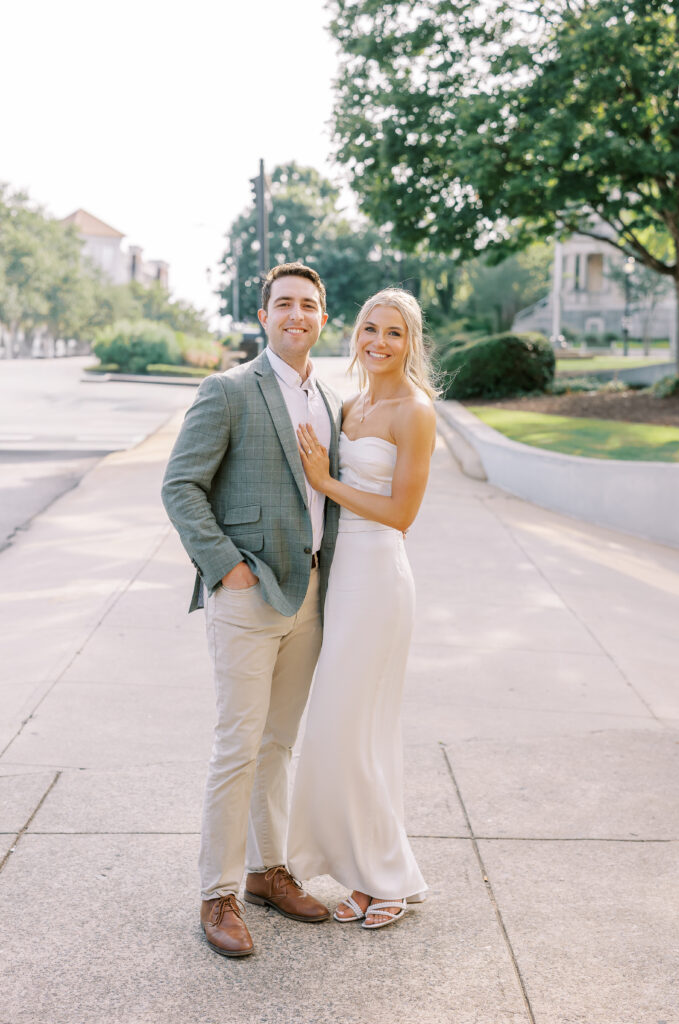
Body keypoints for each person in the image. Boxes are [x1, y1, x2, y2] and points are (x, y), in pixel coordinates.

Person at [161, 263, 343, 957]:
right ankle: (218, 894)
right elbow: (181, 487)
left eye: (309, 305)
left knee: (279, 745)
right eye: (284, 304)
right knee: (237, 745)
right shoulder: (229, 390)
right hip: (246, 593)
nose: (297, 314)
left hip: (310, 598)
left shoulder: (329, 399)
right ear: (263, 315)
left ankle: (270, 872)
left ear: (322, 317)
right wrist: (226, 568)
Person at [288, 287, 437, 930]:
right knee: (340, 731)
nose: (379, 342)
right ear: (355, 334)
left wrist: (327, 482)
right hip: (340, 577)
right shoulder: (350, 404)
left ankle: (389, 878)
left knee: (364, 727)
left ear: (412, 344)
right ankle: (358, 870)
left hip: (380, 576)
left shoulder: (414, 410)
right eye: (370, 329)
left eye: (395, 333)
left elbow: (403, 515)